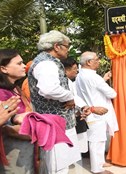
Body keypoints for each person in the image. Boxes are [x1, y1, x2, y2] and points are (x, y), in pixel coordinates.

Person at [28, 30, 88, 173]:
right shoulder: (46, 64)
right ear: (57, 46)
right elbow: (49, 89)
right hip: (54, 124)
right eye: (67, 46)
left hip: (59, 123)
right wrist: (69, 97)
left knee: (62, 163)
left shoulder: (48, 62)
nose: (69, 49)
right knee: (57, 166)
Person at [0, 49, 34, 174]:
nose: (24, 66)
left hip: (23, 149)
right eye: (19, 63)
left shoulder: (14, 88)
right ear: (3, 69)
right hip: (12, 151)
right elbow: (3, 126)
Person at [76, 51, 118, 174]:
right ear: (89, 62)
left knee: (99, 138)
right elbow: (112, 94)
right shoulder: (94, 77)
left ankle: (100, 162)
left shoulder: (80, 75)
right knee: (96, 140)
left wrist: (103, 79)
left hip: (90, 111)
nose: (99, 61)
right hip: (97, 112)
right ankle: (97, 169)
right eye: (97, 59)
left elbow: (92, 88)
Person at [61, 57, 108, 154]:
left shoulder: (70, 81)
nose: (76, 71)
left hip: (77, 116)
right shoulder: (62, 82)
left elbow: (75, 98)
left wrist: (83, 107)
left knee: (77, 147)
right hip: (66, 120)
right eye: (74, 69)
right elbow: (70, 99)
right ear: (66, 70)